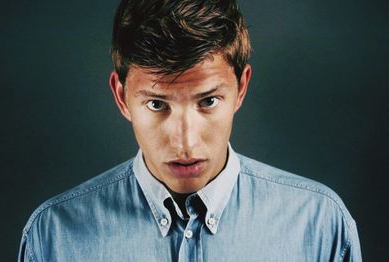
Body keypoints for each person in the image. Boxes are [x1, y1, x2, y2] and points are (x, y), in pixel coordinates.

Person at [18, 0, 362, 261]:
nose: (185, 141)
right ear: (122, 98)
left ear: (240, 89)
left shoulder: (319, 224)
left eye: (208, 101)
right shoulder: (54, 236)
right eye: (157, 104)